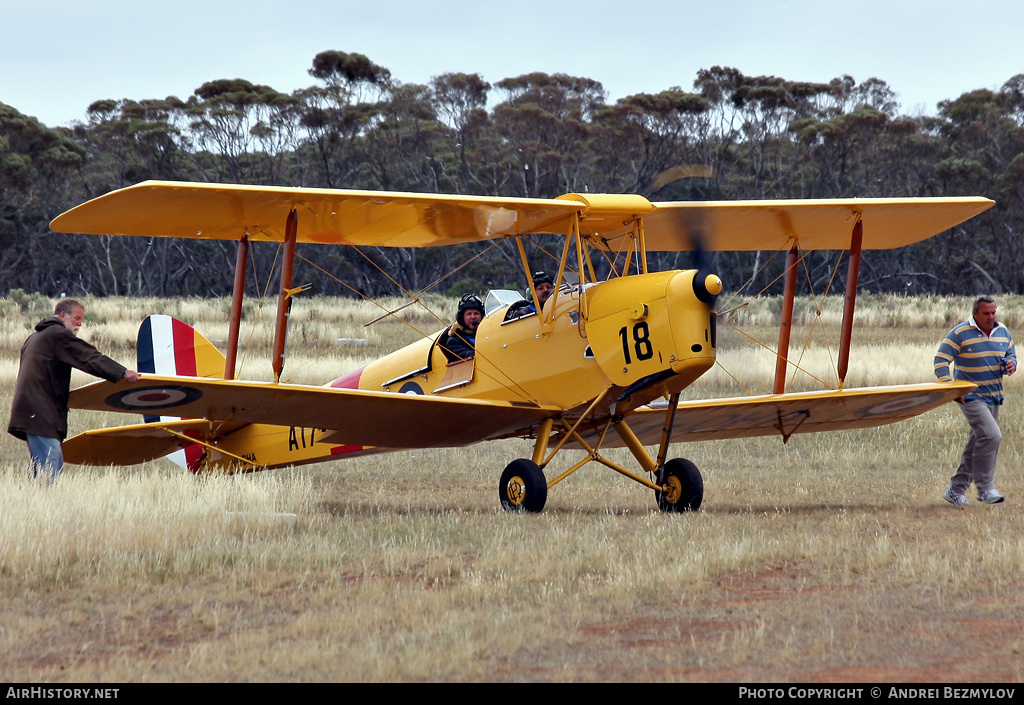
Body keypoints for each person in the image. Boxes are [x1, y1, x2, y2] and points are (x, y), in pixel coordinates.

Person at [8, 298, 142, 482]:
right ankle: (45, 505)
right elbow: (89, 357)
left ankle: (34, 501)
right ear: (62, 316)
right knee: (50, 467)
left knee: (46, 465)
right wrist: (123, 373)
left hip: (33, 410)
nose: (80, 324)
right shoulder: (57, 335)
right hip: (39, 411)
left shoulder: (37, 336)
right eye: (76, 318)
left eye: (81, 319)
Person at [934, 295, 1016, 507]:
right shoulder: (961, 333)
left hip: (994, 396)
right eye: (986, 313)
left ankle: (956, 490)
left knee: (977, 443)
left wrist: (1010, 365)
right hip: (970, 396)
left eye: (993, 312)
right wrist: (951, 388)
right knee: (992, 436)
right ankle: (985, 489)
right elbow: (940, 361)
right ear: (975, 314)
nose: (991, 317)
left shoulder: (1003, 332)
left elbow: (1011, 356)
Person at [441, 293, 484, 362]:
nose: (473, 317)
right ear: (462, 318)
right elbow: (470, 356)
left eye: (476, 313)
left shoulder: (488, 333)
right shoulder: (454, 342)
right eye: (469, 314)